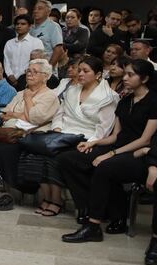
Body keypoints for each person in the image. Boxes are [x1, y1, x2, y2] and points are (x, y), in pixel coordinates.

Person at [59, 59, 157, 234]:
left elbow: (145, 140)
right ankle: (92, 206)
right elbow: (115, 136)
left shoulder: (153, 101)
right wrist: (93, 142)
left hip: (138, 153)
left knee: (104, 166)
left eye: (130, 74)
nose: (125, 78)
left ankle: (95, 224)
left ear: (144, 78)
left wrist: (110, 153)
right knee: (69, 159)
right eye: (125, 73)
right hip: (119, 147)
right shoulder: (125, 101)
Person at [40, 57, 119, 217]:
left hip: (91, 139)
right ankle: (51, 198)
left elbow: (104, 129)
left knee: (65, 158)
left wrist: (89, 143)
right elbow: (60, 113)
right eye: (79, 70)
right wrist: (57, 129)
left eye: (86, 71)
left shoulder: (108, 96)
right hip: (64, 134)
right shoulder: (72, 90)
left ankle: (82, 205)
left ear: (98, 74)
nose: (80, 74)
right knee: (41, 151)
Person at [0, 59, 60, 208]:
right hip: (8, 131)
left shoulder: (50, 96)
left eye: (35, 72)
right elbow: (3, 114)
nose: (30, 74)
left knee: (4, 149)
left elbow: (36, 118)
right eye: (28, 71)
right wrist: (22, 114)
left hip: (27, 135)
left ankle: (6, 189)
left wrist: (27, 101)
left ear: (46, 76)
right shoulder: (20, 93)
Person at [4, 14, 44, 89]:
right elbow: (6, 62)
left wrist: (20, 77)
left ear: (30, 26)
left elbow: (37, 62)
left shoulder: (36, 42)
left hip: (28, 78)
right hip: (9, 80)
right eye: (17, 24)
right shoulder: (9, 43)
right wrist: (10, 75)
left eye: (23, 24)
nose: (19, 26)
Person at [30, 0, 65, 68]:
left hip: (46, 70)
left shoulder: (53, 26)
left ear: (48, 12)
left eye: (40, 8)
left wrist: (49, 68)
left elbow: (58, 50)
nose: (35, 11)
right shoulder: (30, 28)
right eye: (34, 9)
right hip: (32, 68)